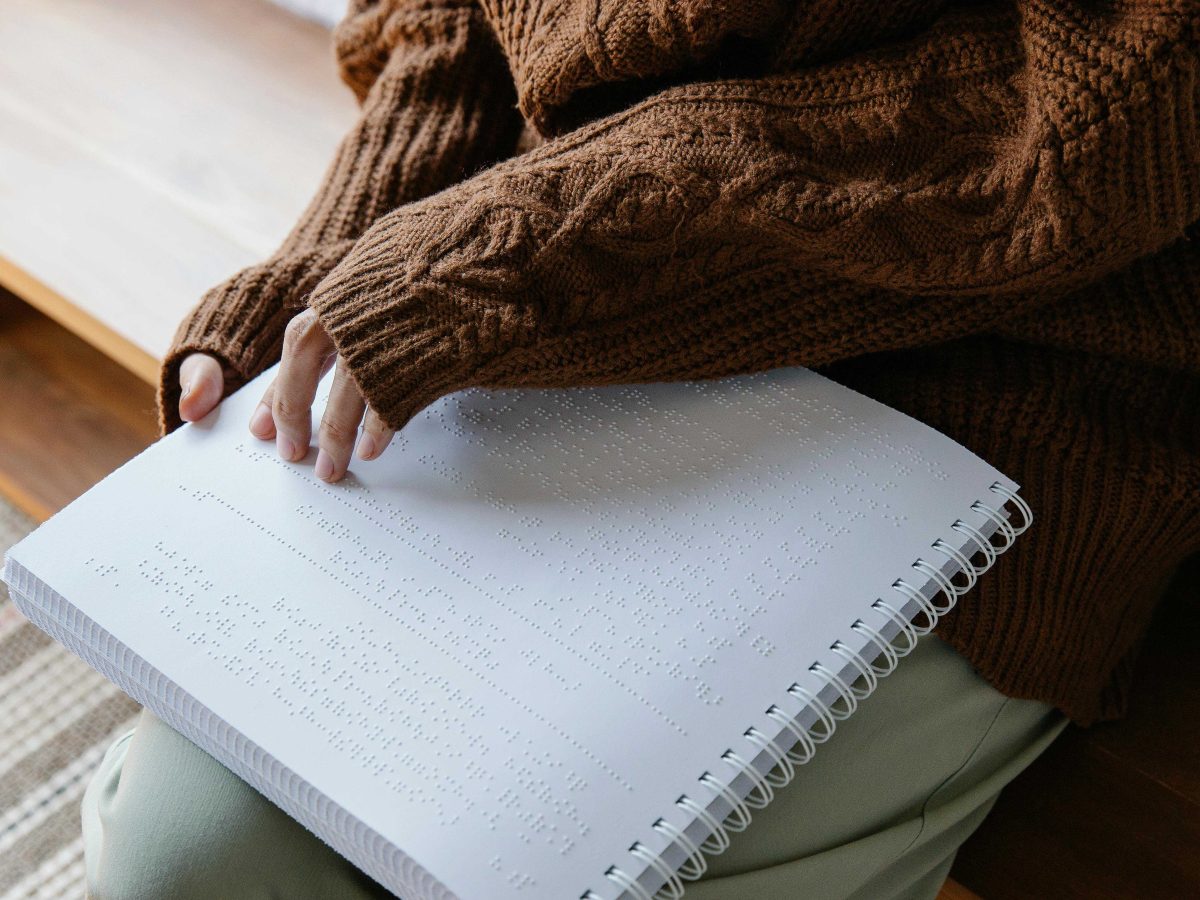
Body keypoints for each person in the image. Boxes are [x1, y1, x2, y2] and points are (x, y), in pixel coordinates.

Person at [82, 0, 1199, 897]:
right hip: (516, 319)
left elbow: (1095, 118)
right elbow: (451, 23)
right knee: (184, 864)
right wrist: (331, 269)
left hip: (990, 387)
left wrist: (491, 259)